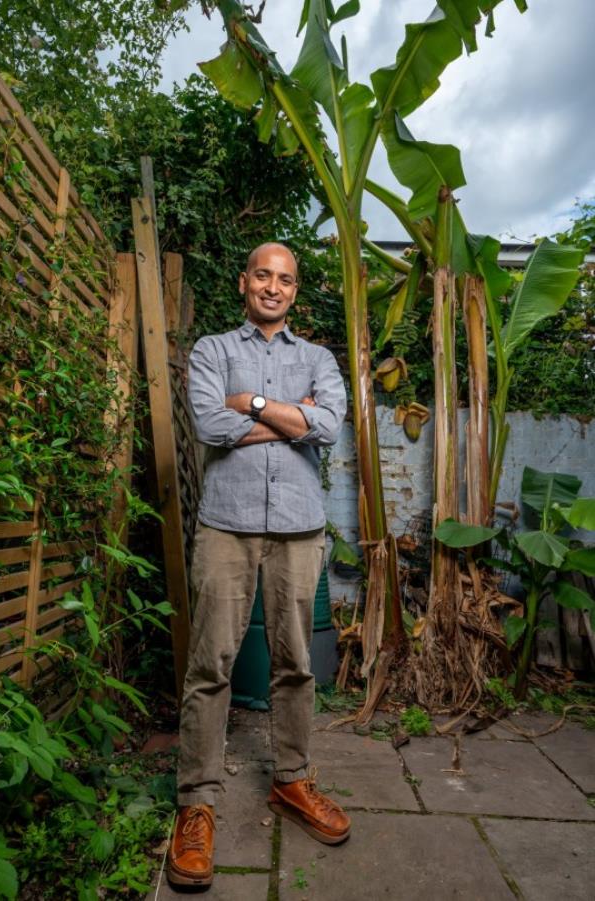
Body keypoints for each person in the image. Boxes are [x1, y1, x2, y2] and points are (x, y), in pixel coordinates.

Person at [168, 242, 350, 887]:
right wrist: (293, 421)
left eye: (286, 280)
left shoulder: (318, 358)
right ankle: (196, 803)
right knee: (210, 663)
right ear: (245, 281)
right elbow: (207, 426)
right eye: (264, 276)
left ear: (295, 292)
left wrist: (248, 405)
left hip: (300, 529)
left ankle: (293, 781)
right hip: (226, 526)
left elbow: (330, 424)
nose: (274, 287)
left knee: (296, 664)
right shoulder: (214, 351)